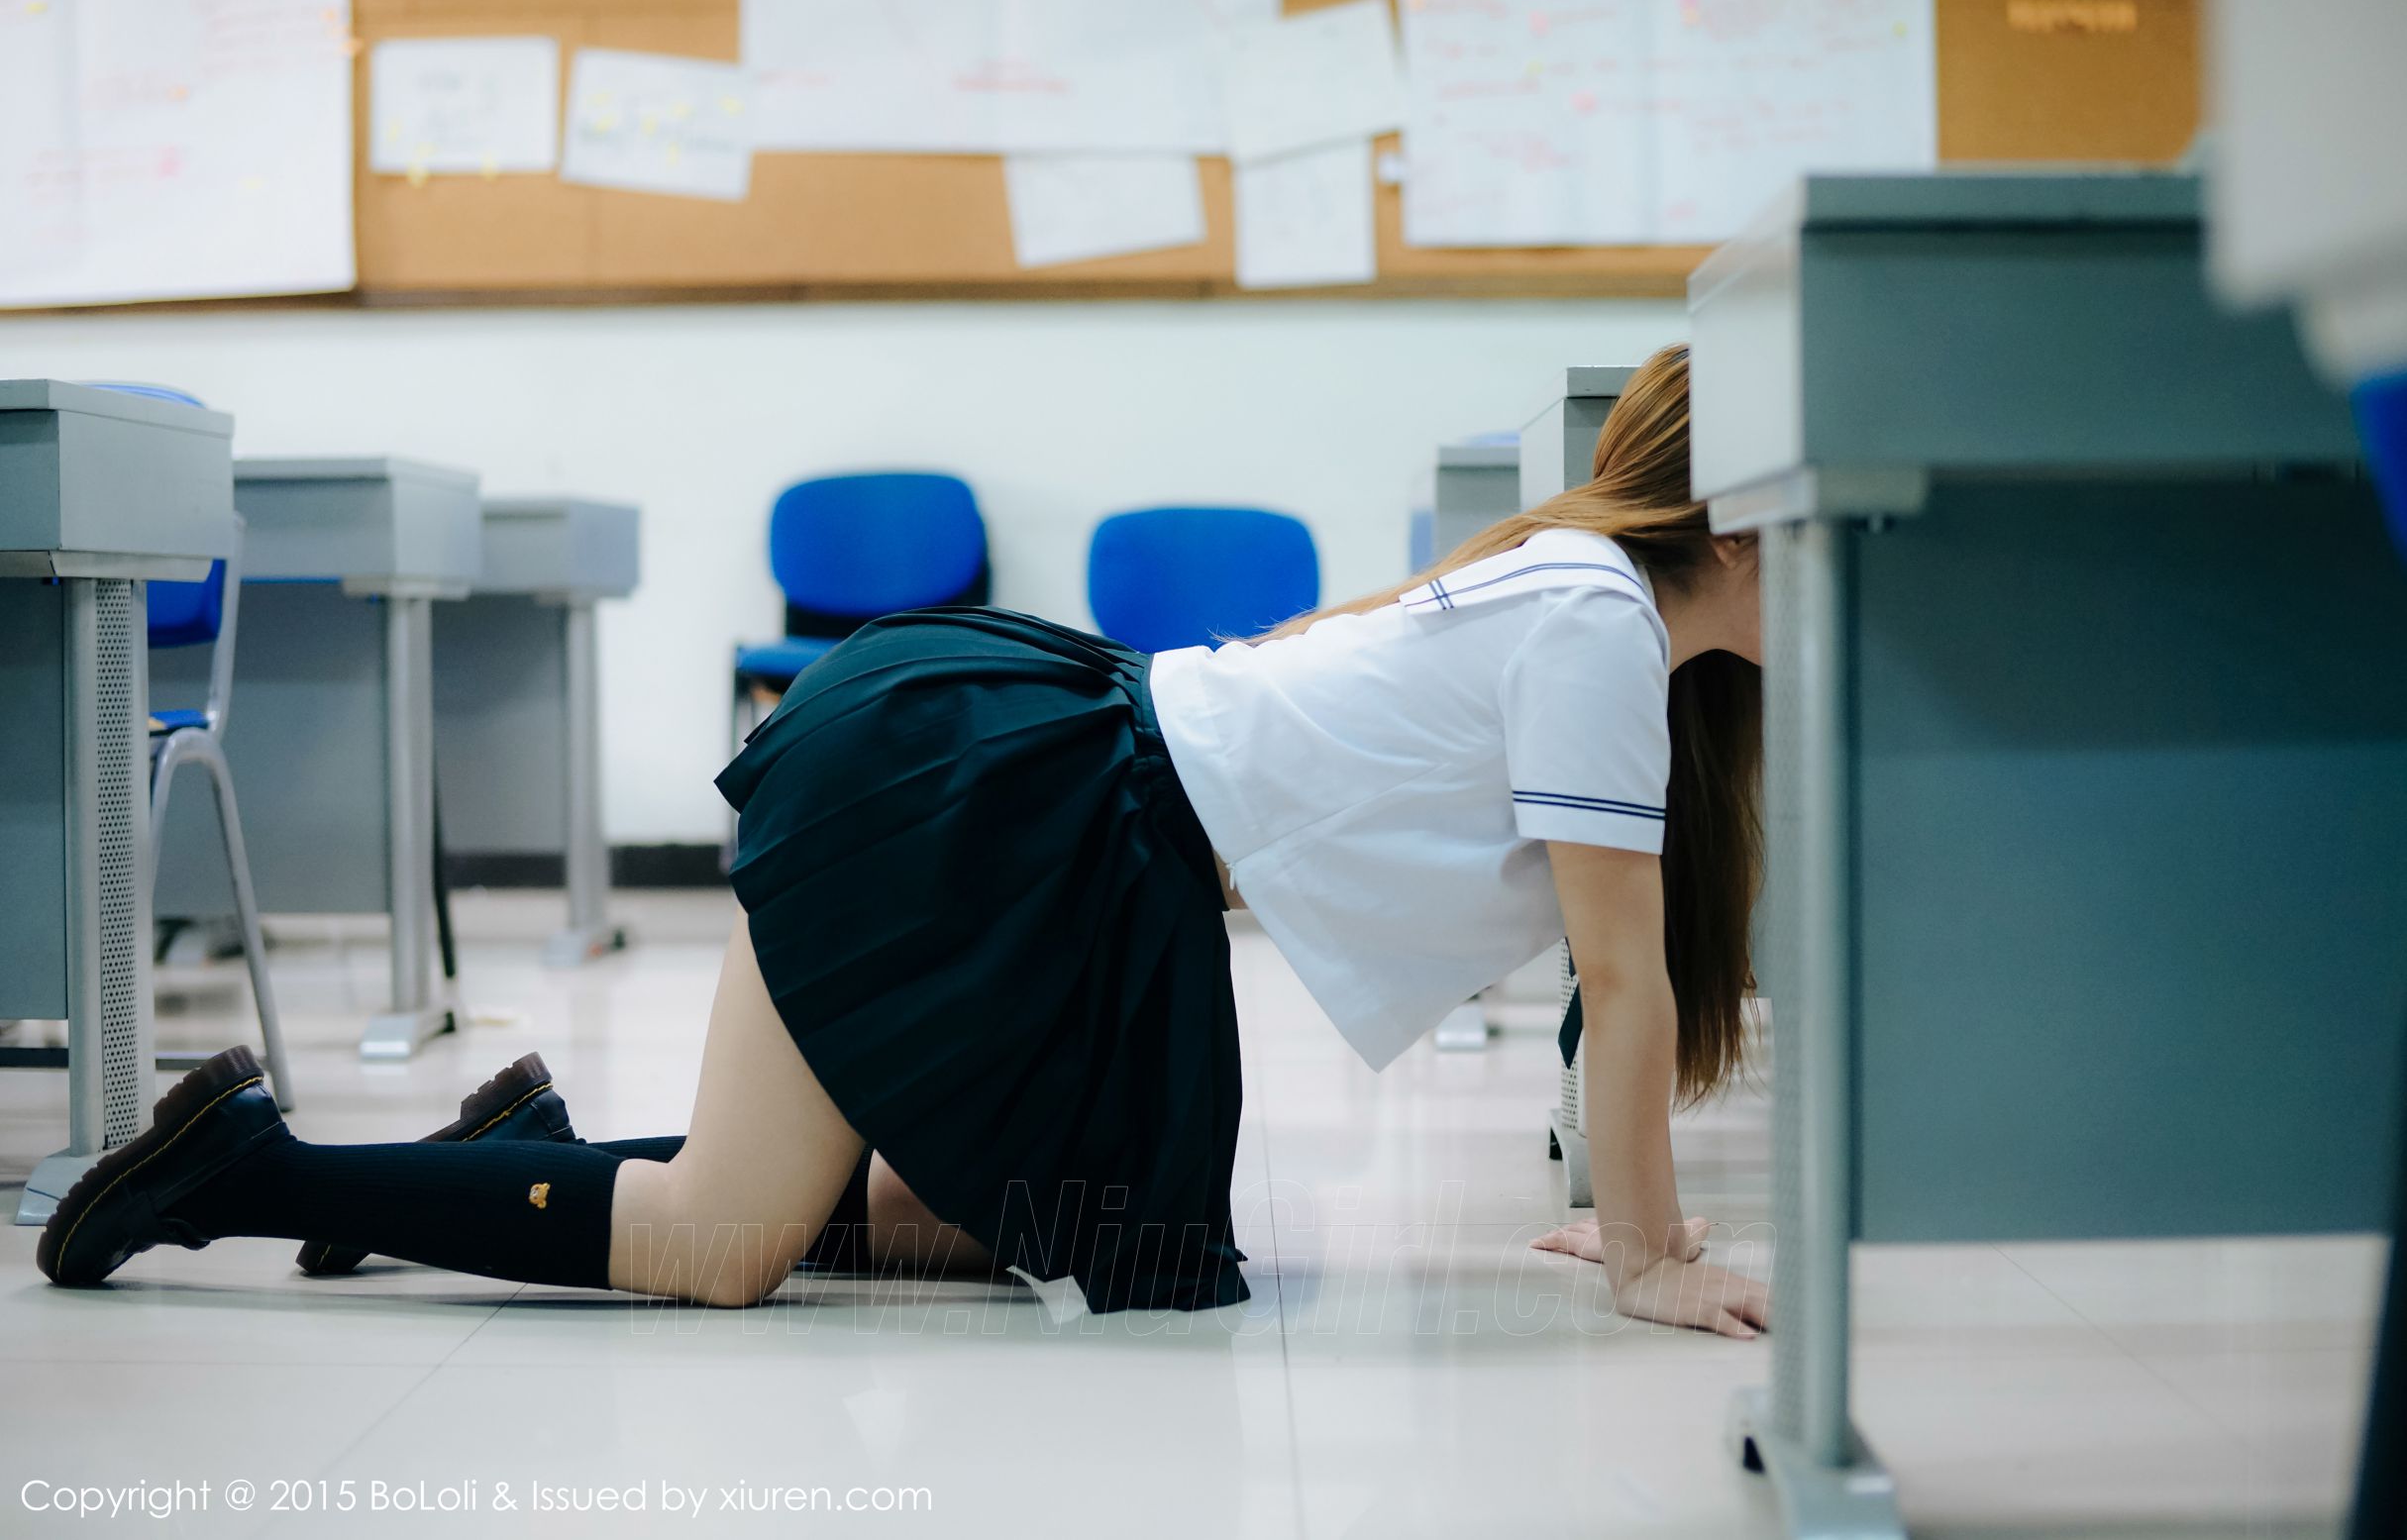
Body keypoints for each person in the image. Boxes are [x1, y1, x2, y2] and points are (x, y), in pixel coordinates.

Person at [38, 342, 1770, 1340]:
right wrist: (1643, 1258)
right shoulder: (1595, 621)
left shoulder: (1598, 612)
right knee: (722, 1245)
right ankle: (239, 1172)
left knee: (999, 1223)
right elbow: (1618, 985)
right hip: (1021, 803)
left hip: (1097, 843)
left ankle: (531, 1161)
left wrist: (1640, 1218)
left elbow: (1607, 975)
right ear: (1745, 525)